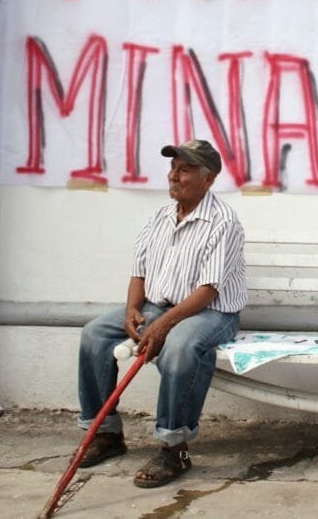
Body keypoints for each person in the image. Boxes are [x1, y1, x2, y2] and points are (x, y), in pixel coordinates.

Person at [75, 139, 247, 488]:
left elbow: (208, 290)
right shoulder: (160, 217)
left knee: (180, 347)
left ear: (209, 179)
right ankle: (106, 433)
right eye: (173, 168)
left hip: (211, 312)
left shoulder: (223, 222)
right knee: (94, 334)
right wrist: (132, 310)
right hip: (157, 306)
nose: (174, 176)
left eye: (185, 170)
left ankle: (174, 447)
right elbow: (139, 271)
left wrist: (164, 324)